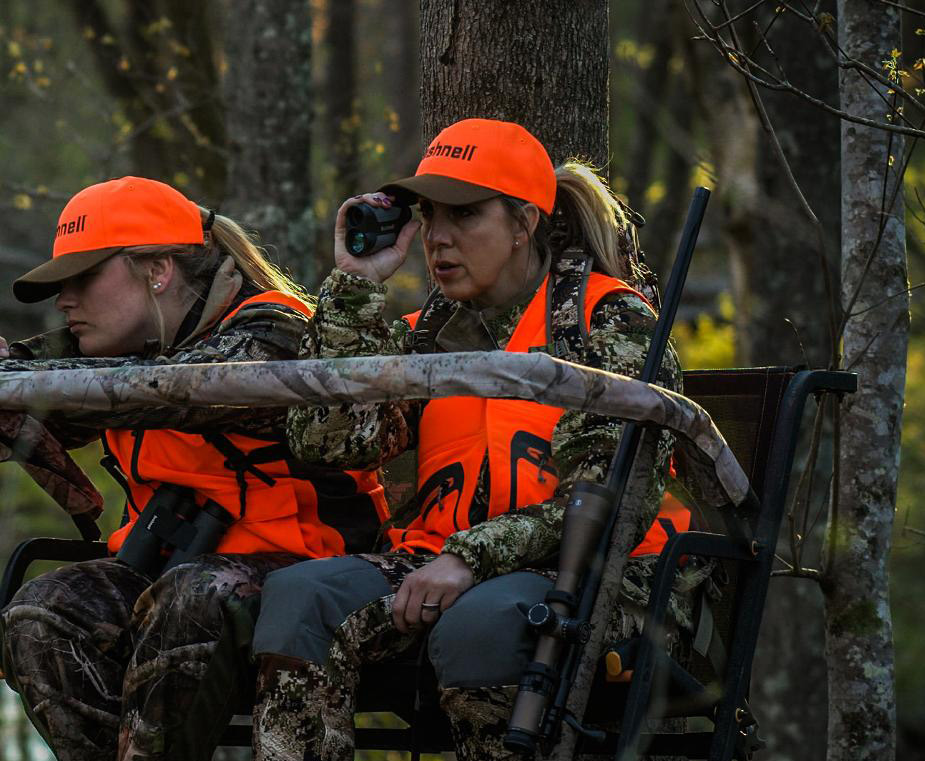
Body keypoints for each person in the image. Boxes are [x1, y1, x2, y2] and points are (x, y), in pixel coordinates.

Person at [0, 176, 388, 761]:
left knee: (190, 594)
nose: (64, 301)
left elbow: (183, 389)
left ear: (157, 269)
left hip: (308, 574)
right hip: (173, 571)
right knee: (40, 614)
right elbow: (44, 414)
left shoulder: (275, 330)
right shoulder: (119, 353)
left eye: (83, 279)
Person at [250, 119, 699, 761]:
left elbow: (608, 497)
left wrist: (470, 559)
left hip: (602, 581)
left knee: (481, 621)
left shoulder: (608, 323)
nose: (438, 237)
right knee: (300, 597)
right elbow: (324, 442)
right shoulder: (424, 337)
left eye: (464, 215)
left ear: (523, 223)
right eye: (430, 215)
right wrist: (353, 287)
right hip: (436, 565)